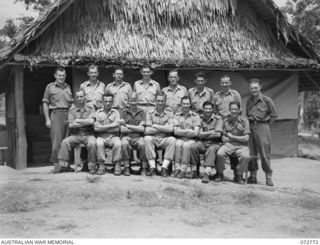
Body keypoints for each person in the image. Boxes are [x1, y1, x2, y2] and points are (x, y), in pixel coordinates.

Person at [54, 89, 96, 174]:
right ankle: (63, 165)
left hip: (88, 135)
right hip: (76, 135)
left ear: (85, 97)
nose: (80, 98)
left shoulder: (91, 108)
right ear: (75, 98)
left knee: (92, 144)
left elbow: (91, 122)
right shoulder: (72, 110)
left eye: (81, 96)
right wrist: (85, 121)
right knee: (65, 142)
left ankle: (92, 166)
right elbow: (71, 125)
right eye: (78, 97)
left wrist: (77, 120)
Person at [246, 78, 278, 186]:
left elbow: (274, 115)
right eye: (252, 88)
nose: (254, 90)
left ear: (260, 87)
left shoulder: (267, 100)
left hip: (262, 128)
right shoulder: (249, 101)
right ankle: (253, 176)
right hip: (251, 128)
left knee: (264, 154)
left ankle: (268, 177)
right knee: (252, 153)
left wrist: (265, 122)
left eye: (255, 88)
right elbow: (248, 114)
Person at [42, 67, 73, 172]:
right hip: (56, 115)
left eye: (63, 75)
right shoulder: (50, 87)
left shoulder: (68, 87)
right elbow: (45, 104)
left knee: (67, 141)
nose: (61, 77)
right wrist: (47, 119)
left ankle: (66, 164)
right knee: (56, 142)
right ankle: (57, 165)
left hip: (68, 115)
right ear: (55, 75)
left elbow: (71, 104)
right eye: (59, 75)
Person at [214, 75, 242, 181]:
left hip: (232, 124)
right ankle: (219, 173)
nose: (225, 85)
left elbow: (240, 111)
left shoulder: (235, 95)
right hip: (220, 125)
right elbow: (215, 111)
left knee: (234, 147)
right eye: (223, 83)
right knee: (219, 148)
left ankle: (236, 173)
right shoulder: (217, 96)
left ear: (230, 83)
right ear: (220, 83)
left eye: (227, 83)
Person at [216, 101, 251, 184]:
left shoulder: (244, 121)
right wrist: (237, 139)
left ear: (239, 110)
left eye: (236, 109)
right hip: (228, 145)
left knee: (245, 156)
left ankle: (239, 175)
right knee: (220, 153)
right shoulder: (225, 121)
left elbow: (246, 138)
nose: (234, 111)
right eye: (232, 109)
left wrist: (232, 137)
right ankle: (220, 173)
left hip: (242, 146)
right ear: (229, 109)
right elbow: (224, 138)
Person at [144, 92, 176, 177]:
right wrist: (163, 127)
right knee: (147, 138)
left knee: (172, 140)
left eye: (162, 101)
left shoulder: (169, 113)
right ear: (155, 101)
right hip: (153, 138)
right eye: (158, 101)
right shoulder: (150, 113)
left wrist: (156, 126)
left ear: (165, 102)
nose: (160, 103)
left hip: (164, 139)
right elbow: (147, 130)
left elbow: (171, 129)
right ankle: (152, 168)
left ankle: (164, 168)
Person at [94, 94, 123, 175]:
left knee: (118, 143)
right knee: (99, 143)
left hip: (114, 136)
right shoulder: (98, 112)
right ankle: (101, 166)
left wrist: (102, 127)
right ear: (103, 102)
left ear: (112, 102)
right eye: (106, 101)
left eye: (110, 101)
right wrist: (112, 125)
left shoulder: (116, 112)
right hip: (101, 136)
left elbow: (117, 128)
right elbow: (96, 128)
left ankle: (117, 166)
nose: (108, 103)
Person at [120, 92, 148, 176]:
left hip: (138, 137)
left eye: (135, 100)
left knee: (143, 144)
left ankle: (143, 168)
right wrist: (136, 128)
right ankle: (127, 167)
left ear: (137, 101)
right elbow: (122, 129)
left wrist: (128, 126)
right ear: (128, 101)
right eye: (131, 100)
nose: (133, 103)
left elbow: (142, 129)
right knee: (124, 143)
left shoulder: (142, 112)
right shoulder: (124, 112)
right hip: (127, 137)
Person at [195, 101, 223, 184]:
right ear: (203, 109)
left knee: (211, 149)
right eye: (206, 109)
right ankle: (194, 170)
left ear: (213, 109)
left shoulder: (218, 119)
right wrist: (211, 132)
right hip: (203, 143)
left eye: (210, 109)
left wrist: (204, 134)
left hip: (215, 143)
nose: (208, 110)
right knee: (194, 146)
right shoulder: (199, 118)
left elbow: (218, 134)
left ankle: (206, 173)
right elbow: (198, 134)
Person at [173, 96, 201, 179]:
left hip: (191, 140)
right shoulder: (177, 115)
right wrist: (188, 131)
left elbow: (195, 133)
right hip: (180, 139)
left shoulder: (195, 115)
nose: (185, 105)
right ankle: (177, 168)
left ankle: (183, 169)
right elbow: (175, 131)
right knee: (177, 144)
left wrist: (181, 132)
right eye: (184, 103)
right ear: (181, 104)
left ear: (190, 104)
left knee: (186, 145)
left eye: (187, 104)